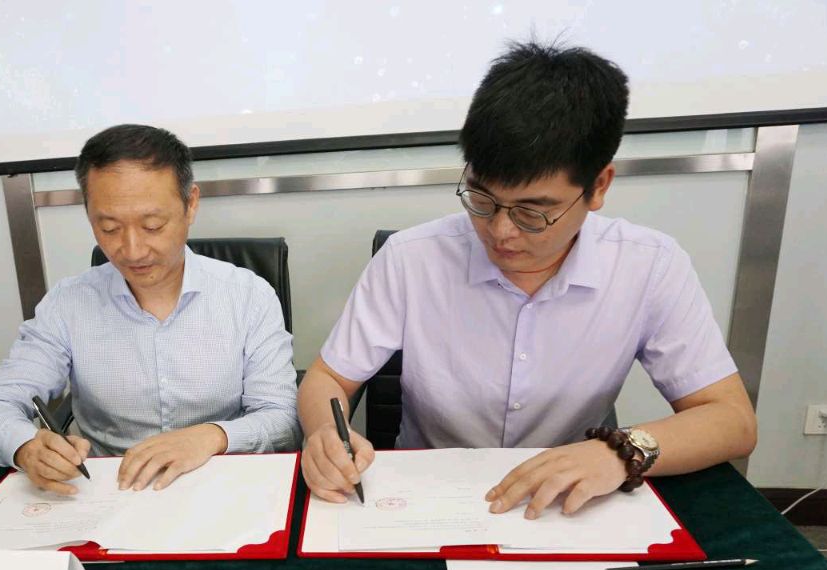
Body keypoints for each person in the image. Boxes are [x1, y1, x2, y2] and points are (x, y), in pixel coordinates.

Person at [298, 41, 757, 518]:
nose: (500, 231)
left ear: (599, 186)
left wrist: (620, 452)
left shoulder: (649, 265)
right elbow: (328, 377)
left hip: (568, 504)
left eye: (533, 213)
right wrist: (325, 434)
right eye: (482, 199)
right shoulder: (411, 258)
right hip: (429, 497)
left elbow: (732, 421)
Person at [0, 124, 299, 495]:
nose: (132, 250)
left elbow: (281, 418)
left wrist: (212, 436)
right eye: (109, 228)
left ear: (191, 203)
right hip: (108, 490)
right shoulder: (68, 304)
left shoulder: (248, 296)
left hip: (222, 485)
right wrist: (26, 446)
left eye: (152, 225)